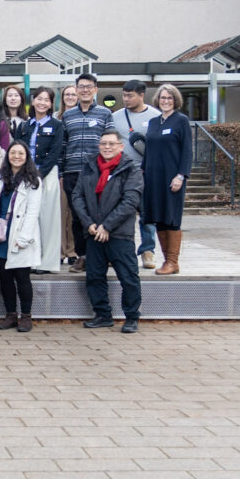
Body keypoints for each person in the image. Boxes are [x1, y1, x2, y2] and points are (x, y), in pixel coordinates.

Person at [71, 131, 143, 333]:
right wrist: (89, 223)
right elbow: (77, 196)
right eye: (103, 143)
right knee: (94, 276)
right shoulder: (89, 166)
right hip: (93, 232)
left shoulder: (131, 169)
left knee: (128, 277)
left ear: (121, 146)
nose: (107, 147)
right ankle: (102, 315)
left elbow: (130, 201)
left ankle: (131, 317)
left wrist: (107, 226)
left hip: (119, 233)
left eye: (112, 143)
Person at [0, 141, 43, 333]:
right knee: (5, 277)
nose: (16, 156)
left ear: (27, 157)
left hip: (20, 234)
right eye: (13, 153)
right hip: (1, 234)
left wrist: (24, 237)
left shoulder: (33, 180)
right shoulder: (1, 177)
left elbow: (33, 212)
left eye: (21, 153)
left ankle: (26, 316)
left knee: (22, 277)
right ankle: (10, 315)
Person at [60, 73, 115, 273]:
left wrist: (109, 169)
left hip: (97, 172)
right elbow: (63, 146)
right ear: (76, 89)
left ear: (95, 90)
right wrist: (61, 172)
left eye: (89, 86)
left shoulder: (104, 114)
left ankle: (101, 256)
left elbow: (111, 143)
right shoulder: (67, 116)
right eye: (81, 86)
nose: (85, 90)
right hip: (72, 172)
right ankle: (82, 256)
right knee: (77, 217)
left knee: (99, 214)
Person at [142, 84, 192, 276]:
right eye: (163, 98)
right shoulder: (154, 122)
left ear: (175, 100)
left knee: (171, 218)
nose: (165, 101)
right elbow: (148, 151)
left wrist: (181, 175)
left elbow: (187, 151)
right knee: (158, 217)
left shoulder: (181, 121)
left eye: (169, 98)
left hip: (172, 177)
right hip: (153, 178)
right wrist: (143, 172)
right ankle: (167, 261)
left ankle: (172, 261)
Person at [114, 79, 162, 270]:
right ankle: (117, 250)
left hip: (146, 171)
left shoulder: (155, 116)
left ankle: (147, 250)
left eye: (130, 95)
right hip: (121, 171)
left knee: (146, 212)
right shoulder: (116, 116)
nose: (126, 99)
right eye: (124, 95)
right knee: (118, 212)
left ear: (142, 95)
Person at [19, 87, 64, 273]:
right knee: (28, 219)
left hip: (47, 175)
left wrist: (38, 174)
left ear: (51, 103)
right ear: (33, 101)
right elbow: (18, 150)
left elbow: (55, 153)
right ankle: (29, 259)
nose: (42, 103)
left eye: (46, 100)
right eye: (39, 99)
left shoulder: (56, 125)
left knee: (48, 219)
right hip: (25, 175)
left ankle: (47, 263)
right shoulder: (24, 126)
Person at [56, 84, 80, 265]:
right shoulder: (57, 117)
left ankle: (72, 251)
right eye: (67, 94)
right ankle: (61, 251)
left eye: (74, 94)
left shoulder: (81, 117)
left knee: (73, 214)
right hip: (61, 172)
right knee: (60, 213)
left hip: (78, 173)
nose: (70, 97)